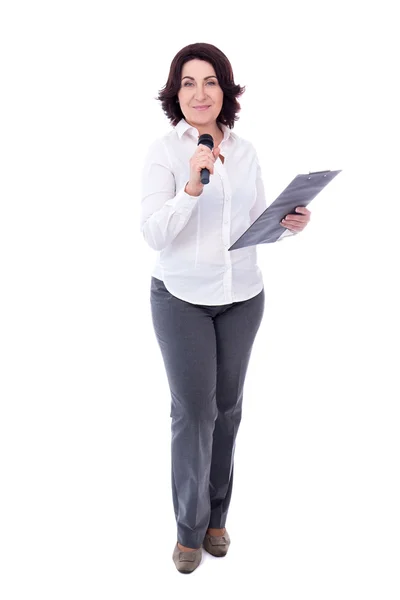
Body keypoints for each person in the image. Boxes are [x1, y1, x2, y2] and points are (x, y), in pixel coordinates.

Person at [140, 42, 311, 574]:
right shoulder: (165, 153)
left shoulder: (245, 151)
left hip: (242, 298)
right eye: (188, 83)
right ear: (177, 93)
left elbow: (254, 227)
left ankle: (218, 518)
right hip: (182, 300)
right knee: (194, 413)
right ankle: (188, 530)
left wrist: (286, 226)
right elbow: (153, 234)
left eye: (210, 81)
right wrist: (192, 184)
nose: (199, 92)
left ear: (225, 90)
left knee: (228, 410)